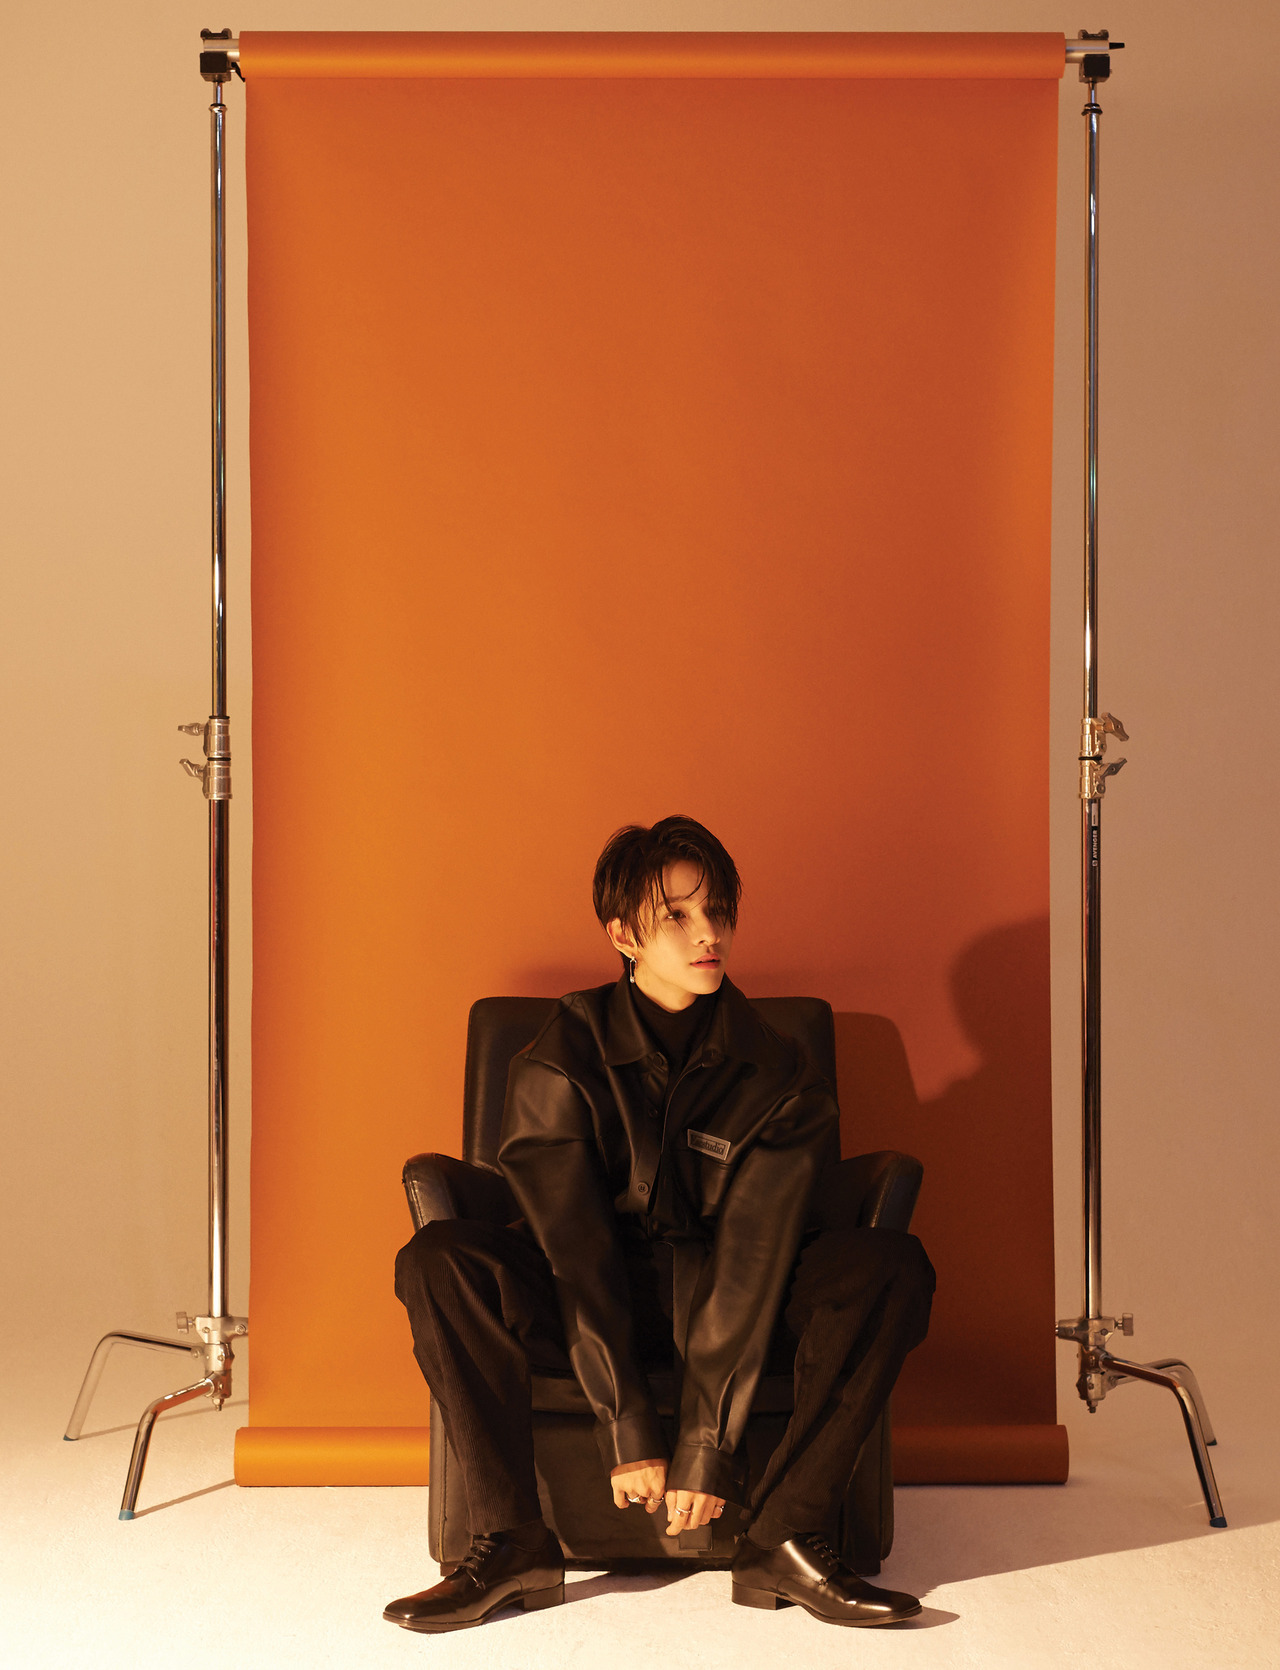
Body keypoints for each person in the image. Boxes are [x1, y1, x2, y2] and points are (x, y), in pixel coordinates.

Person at [386, 815, 934, 1632]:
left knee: (890, 1265)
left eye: (718, 911)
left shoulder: (778, 1068)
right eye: (677, 915)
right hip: (585, 1300)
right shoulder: (560, 1055)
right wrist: (629, 1426)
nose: (709, 934)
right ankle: (509, 1543)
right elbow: (574, 1250)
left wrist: (704, 1446)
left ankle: (785, 1537)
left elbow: (752, 1256)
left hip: (737, 1295)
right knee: (439, 1258)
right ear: (623, 935)